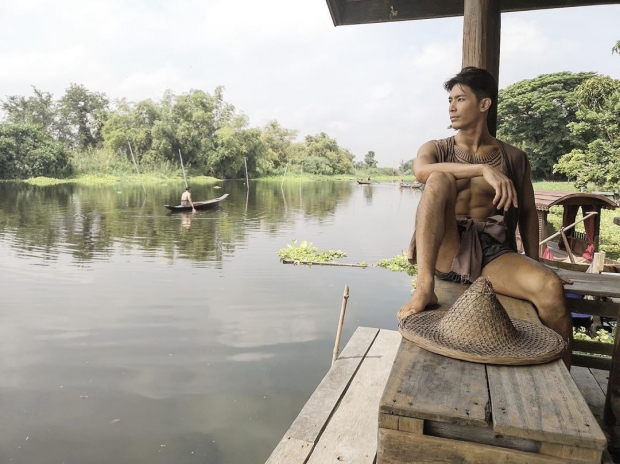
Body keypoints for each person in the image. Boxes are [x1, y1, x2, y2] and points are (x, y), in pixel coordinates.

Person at [397, 67, 572, 367]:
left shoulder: (514, 158)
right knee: (439, 179)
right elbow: (422, 173)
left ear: (484, 104)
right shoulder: (436, 149)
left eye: (460, 99)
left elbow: (529, 214)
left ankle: (564, 382)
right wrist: (482, 169)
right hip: (446, 250)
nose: (451, 107)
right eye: (449, 100)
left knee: (550, 288)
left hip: (492, 253)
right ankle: (424, 288)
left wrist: (536, 262)